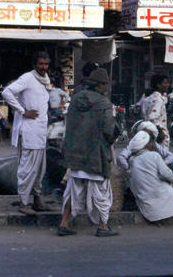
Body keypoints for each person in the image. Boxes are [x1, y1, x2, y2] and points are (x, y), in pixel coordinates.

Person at [57, 68, 118, 237]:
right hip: (96, 156)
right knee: (101, 193)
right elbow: (108, 130)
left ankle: (64, 223)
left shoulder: (76, 99)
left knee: (73, 190)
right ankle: (103, 226)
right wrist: (112, 139)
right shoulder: (105, 104)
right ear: (101, 84)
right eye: (106, 84)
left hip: (76, 154)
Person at [2, 51, 52, 215]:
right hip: (29, 131)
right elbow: (7, 92)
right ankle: (24, 203)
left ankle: (37, 201)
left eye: (46, 64)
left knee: (39, 169)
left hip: (41, 132)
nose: (44, 67)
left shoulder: (45, 80)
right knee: (27, 169)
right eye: (41, 64)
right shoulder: (27, 78)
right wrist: (23, 111)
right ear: (34, 65)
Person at [117, 128, 173, 224]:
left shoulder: (132, 161)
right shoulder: (154, 156)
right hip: (164, 204)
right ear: (147, 144)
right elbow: (168, 175)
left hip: (146, 209)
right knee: (171, 187)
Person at [141, 74, 170, 150]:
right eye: (165, 83)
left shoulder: (149, 97)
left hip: (150, 133)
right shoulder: (158, 99)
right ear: (158, 85)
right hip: (158, 134)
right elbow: (152, 117)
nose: (167, 85)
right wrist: (160, 132)